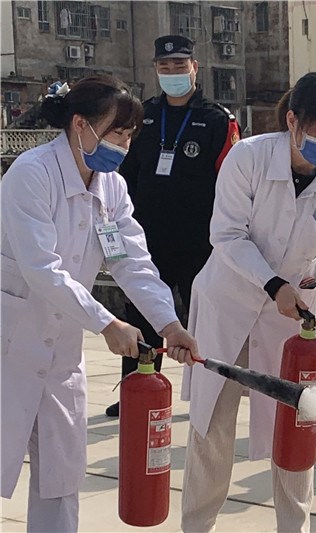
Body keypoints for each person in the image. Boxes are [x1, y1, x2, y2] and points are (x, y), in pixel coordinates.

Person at [177, 72, 316, 533]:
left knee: (298, 427)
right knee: (212, 427)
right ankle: (197, 527)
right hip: (228, 304)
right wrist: (273, 284)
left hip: (293, 318)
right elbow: (227, 235)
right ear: (292, 121)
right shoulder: (248, 157)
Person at [0, 75, 198, 532]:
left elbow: (133, 264)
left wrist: (169, 324)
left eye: (129, 136)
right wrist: (107, 323)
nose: (123, 145)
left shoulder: (112, 188)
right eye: (116, 133)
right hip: (10, 345)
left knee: (61, 476)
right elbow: (42, 269)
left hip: (62, 355)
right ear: (80, 125)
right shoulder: (32, 173)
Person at [105, 34, 240, 417]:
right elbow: (125, 175)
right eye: (165, 67)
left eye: (180, 65)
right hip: (148, 238)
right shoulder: (141, 116)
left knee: (204, 319)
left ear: (194, 68)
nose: (173, 72)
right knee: (143, 315)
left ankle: (206, 394)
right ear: (156, 70)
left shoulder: (217, 120)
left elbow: (231, 183)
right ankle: (137, 391)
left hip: (200, 242)